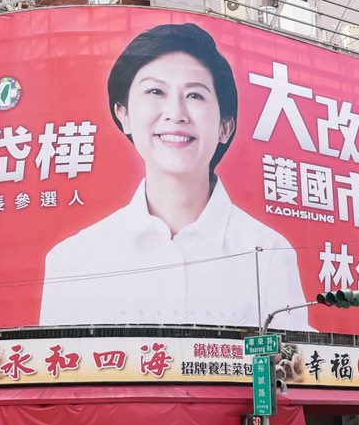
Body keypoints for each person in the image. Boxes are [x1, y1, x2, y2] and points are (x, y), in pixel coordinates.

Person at [39, 23, 310, 330]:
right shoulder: (72, 259)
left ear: (225, 127)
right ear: (124, 114)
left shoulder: (269, 252)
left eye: (194, 95)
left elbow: (292, 357)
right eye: (155, 91)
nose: (175, 113)